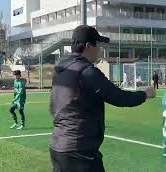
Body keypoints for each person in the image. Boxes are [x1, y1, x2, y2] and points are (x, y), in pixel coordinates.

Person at [49, 25, 156, 172]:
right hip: (80, 151)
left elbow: (53, 107)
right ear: (88, 46)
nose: (100, 49)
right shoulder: (87, 72)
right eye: (97, 45)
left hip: (58, 147)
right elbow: (119, 97)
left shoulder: (61, 71)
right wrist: (145, 94)